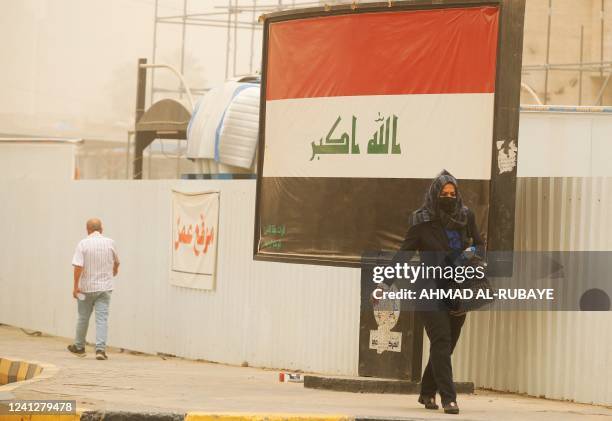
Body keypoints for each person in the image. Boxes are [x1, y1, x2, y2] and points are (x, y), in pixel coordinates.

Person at [379, 170, 483, 415]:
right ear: (435, 194)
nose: (448, 197)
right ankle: (449, 398)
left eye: (452, 193)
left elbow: (479, 243)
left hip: (458, 289)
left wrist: (466, 257)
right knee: (441, 340)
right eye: (444, 193)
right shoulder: (422, 221)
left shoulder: (466, 216)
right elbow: (404, 254)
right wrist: (385, 284)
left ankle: (427, 391)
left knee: (446, 346)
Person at [67, 218, 120, 360]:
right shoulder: (110, 243)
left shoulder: (83, 244)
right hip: (105, 288)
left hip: (86, 288)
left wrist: (75, 287)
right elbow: (117, 261)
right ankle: (100, 350)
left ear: (87, 229)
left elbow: (78, 266)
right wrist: (114, 270)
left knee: (83, 317)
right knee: (102, 319)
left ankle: (79, 347)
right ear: (101, 229)